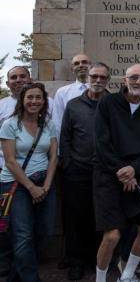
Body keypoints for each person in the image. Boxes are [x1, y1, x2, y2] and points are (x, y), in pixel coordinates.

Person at [93, 64, 140, 282]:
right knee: (112, 235)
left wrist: (134, 170)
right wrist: (122, 171)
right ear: (124, 80)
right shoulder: (108, 103)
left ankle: (127, 275)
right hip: (109, 177)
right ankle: (100, 279)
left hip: (138, 178)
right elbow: (102, 142)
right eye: (134, 77)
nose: (139, 82)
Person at [0, 83, 58, 282]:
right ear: (22, 100)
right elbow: (10, 161)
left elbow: (53, 157)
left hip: (44, 182)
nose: (34, 101)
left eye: (38, 98)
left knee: (45, 231)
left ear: (44, 101)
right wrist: (32, 188)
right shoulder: (10, 124)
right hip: (17, 184)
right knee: (23, 235)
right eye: (30, 98)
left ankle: (14, 277)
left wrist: (47, 185)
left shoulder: (48, 124)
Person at [59, 63, 110, 280]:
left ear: (108, 80)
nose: (98, 80)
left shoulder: (113, 104)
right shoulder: (73, 105)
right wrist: (68, 163)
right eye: (94, 76)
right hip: (77, 171)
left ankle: (94, 259)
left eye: (102, 77)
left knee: (100, 217)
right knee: (76, 218)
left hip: (104, 171)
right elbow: (66, 136)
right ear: (87, 78)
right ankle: (76, 261)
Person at [0, 65, 32, 275]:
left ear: (29, 79)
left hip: (34, 172)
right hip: (5, 171)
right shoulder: (2, 105)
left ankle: (26, 262)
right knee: (5, 222)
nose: (18, 80)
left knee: (28, 226)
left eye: (23, 76)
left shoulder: (38, 104)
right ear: (7, 82)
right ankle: (6, 263)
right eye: (14, 77)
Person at [52, 54, 91, 132]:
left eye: (84, 62)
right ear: (72, 69)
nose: (81, 65)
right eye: (76, 64)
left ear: (91, 66)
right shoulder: (62, 93)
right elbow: (57, 122)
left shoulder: (102, 91)